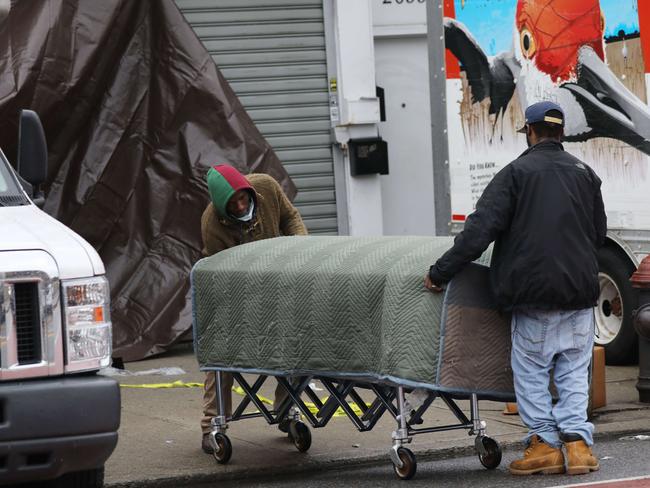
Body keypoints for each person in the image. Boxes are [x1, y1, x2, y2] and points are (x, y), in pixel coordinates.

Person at [425, 101, 606, 476]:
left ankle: (545, 445)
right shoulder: (586, 174)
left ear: (531, 131)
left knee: (532, 371)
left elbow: (478, 233)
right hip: (580, 295)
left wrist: (441, 272)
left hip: (533, 296)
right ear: (561, 133)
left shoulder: (515, 173)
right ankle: (577, 445)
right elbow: (598, 235)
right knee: (573, 371)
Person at [199, 164, 308, 454]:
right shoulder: (212, 223)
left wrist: (300, 251)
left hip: (281, 284)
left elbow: (291, 218)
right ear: (223, 209)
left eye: (243, 199)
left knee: (295, 341)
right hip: (239, 296)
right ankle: (212, 424)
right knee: (219, 353)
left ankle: (287, 411)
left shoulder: (267, 187)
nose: (240, 205)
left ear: (250, 192)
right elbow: (223, 273)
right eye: (233, 205)